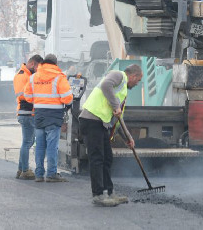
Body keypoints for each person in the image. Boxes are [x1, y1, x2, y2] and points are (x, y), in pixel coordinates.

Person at [79, 64, 143, 207]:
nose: (137, 84)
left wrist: (128, 138)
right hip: (91, 119)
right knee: (97, 158)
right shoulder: (118, 75)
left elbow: (118, 119)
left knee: (107, 158)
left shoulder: (123, 91)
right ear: (133, 76)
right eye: (138, 80)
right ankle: (98, 195)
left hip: (101, 123)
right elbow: (105, 85)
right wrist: (116, 105)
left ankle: (109, 191)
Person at [23, 53, 73, 182]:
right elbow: (68, 98)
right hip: (54, 115)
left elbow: (27, 96)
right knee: (52, 145)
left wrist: (39, 101)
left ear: (44, 63)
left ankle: (39, 174)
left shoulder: (34, 77)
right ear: (55, 64)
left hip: (39, 114)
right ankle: (51, 174)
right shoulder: (59, 77)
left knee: (39, 145)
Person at [13, 54, 43, 180]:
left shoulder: (26, 75)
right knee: (27, 142)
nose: (38, 70)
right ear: (32, 64)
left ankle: (21, 168)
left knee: (28, 142)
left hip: (26, 112)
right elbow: (23, 95)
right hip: (26, 112)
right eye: (37, 67)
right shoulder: (22, 76)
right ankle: (25, 170)